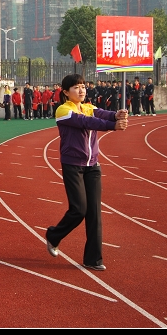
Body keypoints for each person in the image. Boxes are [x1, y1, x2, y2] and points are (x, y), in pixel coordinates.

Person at [46, 73, 128, 271]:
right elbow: (86, 122)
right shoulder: (63, 110)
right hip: (73, 165)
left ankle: (93, 259)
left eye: (83, 86)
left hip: (93, 166)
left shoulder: (89, 107)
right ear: (66, 92)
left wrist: (117, 115)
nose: (81, 90)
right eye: (76, 87)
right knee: (79, 209)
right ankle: (54, 235)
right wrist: (113, 126)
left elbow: (103, 114)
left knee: (94, 213)